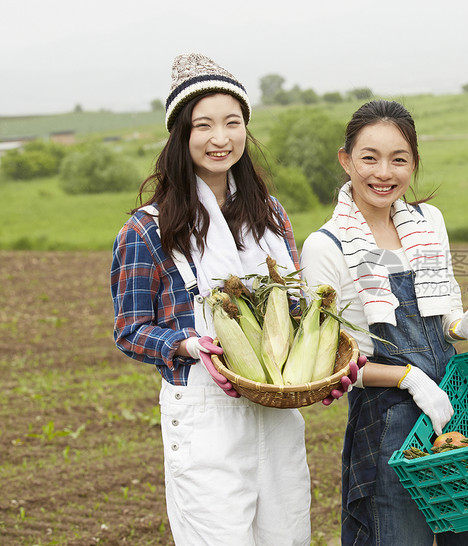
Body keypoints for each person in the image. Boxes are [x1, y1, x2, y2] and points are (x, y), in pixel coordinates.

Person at [111, 53, 356, 545]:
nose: (220, 138)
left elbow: (292, 311)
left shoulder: (269, 216)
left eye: (232, 122)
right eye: (203, 125)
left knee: (286, 537)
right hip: (205, 412)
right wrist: (188, 345)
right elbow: (130, 330)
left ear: (246, 128)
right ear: (181, 135)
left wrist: (328, 367)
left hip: (277, 411)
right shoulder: (147, 229)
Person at [300, 100, 468, 545]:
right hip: (388, 424)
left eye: (399, 159)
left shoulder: (428, 222)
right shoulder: (326, 248)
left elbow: (447, 317)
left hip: (454, 408)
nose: (384, 172)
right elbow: (330, 362)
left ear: (414, 164)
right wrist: (409, 378)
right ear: (346, 161)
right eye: (369, 157)